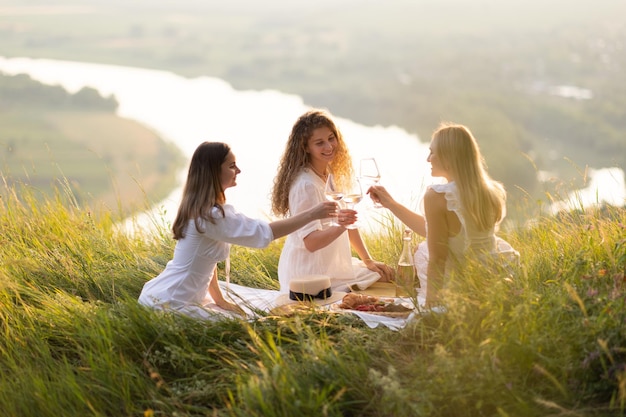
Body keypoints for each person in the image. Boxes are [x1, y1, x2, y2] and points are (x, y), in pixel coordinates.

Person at [138, 141, 338, 319]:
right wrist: (312, 214)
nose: (239, 170)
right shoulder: (210, 216)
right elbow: (264, 233)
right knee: (249, 324)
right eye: (232, 166)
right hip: (169, 303)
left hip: (169, 295)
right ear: (214, 171)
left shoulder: (208, 211)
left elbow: (208, 263)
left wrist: (221, 300)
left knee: (253, 311)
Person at [368, 122, 519, 307]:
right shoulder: (491, 191)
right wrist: (390, 203)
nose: (428, 159)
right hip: (488, 279)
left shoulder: (437, 196)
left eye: (432, 152)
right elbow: (440, 231)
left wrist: (431, 309)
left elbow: (438, 259)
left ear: (448, 157)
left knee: (422, 250)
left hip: (456, 287)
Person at [271, 109, 394, 293]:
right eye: (319, 143)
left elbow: (348, 224)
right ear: (305, 147)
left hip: (330, 266)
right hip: (309, 274)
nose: (329, 147)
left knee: (386, 272)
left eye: (331, 138)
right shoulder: (306, 185)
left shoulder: (327, 175)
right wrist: (342, 225)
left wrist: (368, 260)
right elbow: (311, 242)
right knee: (386, 279)